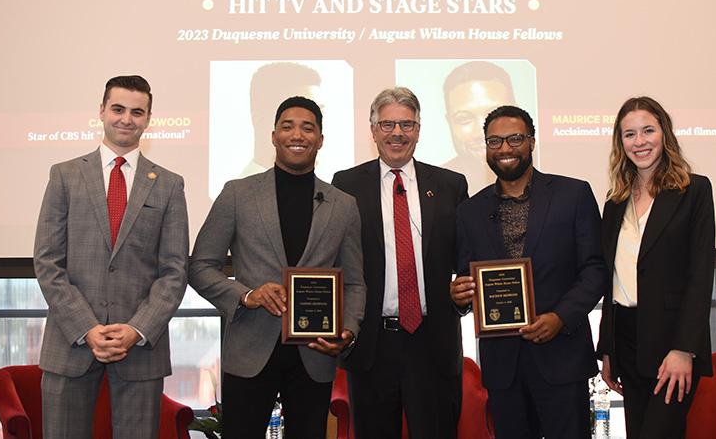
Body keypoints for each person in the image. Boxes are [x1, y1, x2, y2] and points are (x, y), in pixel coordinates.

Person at [190, 96, 365, 439]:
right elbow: (200, 266)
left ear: (320, 139)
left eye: (307, 127)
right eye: (287, 126)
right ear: (273, 135)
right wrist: (247, 295)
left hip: (315, 352)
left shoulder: (343, 206)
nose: (296, 134)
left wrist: (348, 329)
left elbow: (355, 284)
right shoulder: (237, 194)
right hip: (250, 349)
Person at [33, 75, 189, 439]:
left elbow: (174, 271)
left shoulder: (169, 184)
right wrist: (87, 328)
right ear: (101, 111)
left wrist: (136, 330)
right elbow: (47, 262)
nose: (126, 119)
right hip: (70, 343)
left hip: (139, 350)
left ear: (149, 118)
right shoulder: (65, 176)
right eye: (118, 109)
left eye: (138, 112)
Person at [450, 105, 608, 439]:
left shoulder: (572, 195)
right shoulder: (469, 211)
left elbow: (595, 268)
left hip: (562, 358)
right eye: (495, 141)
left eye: (514, 138)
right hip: (503, 367)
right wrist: (459, 295)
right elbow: (467, 277)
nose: (505, 148)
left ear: (532, 142)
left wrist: (561, 317)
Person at [332, 87, 469, 439]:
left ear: (419, 130)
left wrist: (466, 291)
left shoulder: (451, 184)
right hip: (372, 344)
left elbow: (466, 258)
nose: (397, 133)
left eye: (407, 124)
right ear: (373, 129)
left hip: (433, 342)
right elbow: (336, 260)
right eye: (388, 124)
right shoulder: (345, 185)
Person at [596, 96, 716, 439]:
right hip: (626, 341)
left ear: (664, 133)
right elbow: (612, 281)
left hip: (671, 342)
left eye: (648, 130)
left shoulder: (694, 190)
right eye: (629, 134)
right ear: (620, 143)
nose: (640, 141)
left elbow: (700, 274)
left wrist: (683, 349)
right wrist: (608, 349)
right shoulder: (614, 201)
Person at [238, 62, 323, 178]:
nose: (298, 136)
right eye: (288, 125)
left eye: (317, 116)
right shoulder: (236, 194)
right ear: (259, 120)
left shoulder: (335, 193)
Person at [441, 61, 516, 191]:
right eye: (464, 118)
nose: (481, 132)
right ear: (450, 123)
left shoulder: (548, 176)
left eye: (495, 114)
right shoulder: (437, 184)